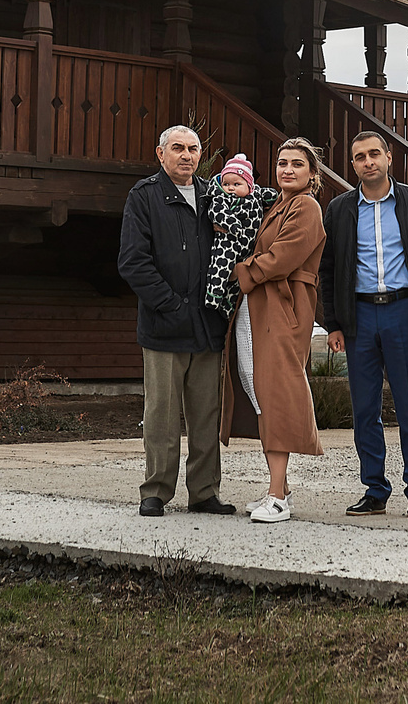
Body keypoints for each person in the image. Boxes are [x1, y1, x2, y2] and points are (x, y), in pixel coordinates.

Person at [117, 124, 238, 518]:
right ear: (161, 153)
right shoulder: (144, 196)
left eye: (193, 149)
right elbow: (133, 261)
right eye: (178, 148)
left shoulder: (213, 195)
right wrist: (170, 304)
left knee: (206, 417)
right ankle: (155, 491)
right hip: (164, 326)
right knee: (161, 416)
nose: (187, 155)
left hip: (207, 325)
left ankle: (204, 492)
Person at [319, 128, 408, 516]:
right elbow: (328, 269)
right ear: (353, 165)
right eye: (359, 157)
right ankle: (375, 489)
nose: (367, 162)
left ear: (388, 157)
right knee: (365, 407)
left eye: (373, 154)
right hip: (360, 316)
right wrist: (333, 323)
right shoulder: (340, 209)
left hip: (404, 311)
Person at [224, 135, 328, 523]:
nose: (287, 169)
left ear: (312, 173)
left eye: (297, 164)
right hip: (259, 305)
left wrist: (242, 272)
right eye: (282, 163)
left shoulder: (307, 206)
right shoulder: (277, 204)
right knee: (259, 391)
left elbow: (283, 257)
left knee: (276, 394)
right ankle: (279, 488)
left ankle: (278, 497)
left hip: (283, 307)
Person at [201, 154, 277, 321]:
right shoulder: (221, 198)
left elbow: (272, 196)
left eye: (236, 184)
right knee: (221, 266)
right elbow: (217, 212)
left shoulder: (256, 195)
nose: (230, 188)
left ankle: (229, 307)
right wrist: (233, 225)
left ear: (249, 185)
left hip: (249, 246)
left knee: (238, 282)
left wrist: (273, 196)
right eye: (226, 184)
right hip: (228, 241)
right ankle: (213, 296)